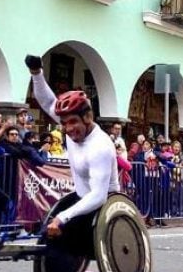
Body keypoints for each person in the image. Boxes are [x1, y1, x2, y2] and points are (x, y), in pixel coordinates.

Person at [25, 54, 118, 247]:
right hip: (81, 198)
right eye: (64, 123)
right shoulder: (72, 126)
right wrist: (36, 73)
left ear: (88, 117)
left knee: (59, 231)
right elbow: (47, 102)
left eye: (73, 122)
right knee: (45, 234)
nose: (68, 129)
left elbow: (98, 196)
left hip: (104, 207)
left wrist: (63, 217)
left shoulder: (100, 146)